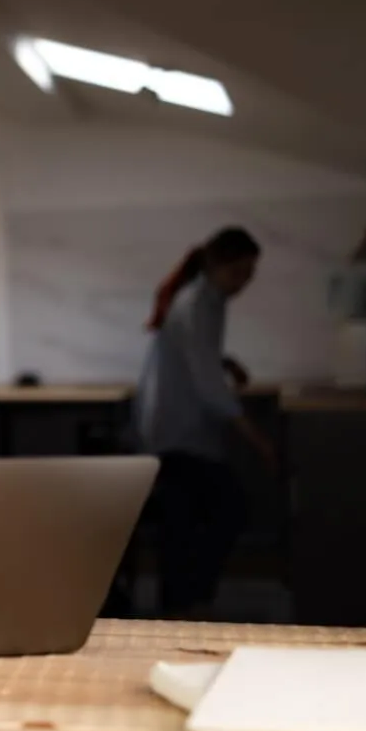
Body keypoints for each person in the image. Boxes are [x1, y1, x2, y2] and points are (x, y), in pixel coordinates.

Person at [126, 227, 273, 618]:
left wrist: (225, 361)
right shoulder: (197, 303)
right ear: (217, 265)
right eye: (240, 273)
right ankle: (184, 606)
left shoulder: (208, 298)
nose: (244, 283)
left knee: (189, 520)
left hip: (179, 427)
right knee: (218, 512)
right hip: (176, 431)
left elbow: (197, 356)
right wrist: (258, 439)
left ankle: (183, 605)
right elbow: (208, 384)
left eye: (250, 275)